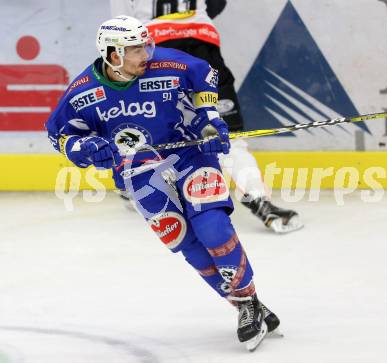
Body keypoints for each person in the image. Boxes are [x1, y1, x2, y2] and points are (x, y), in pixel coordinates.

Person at [46, 15, 280, 350]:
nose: (146, 53)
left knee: (212, 227)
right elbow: (60, 134)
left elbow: (205, 74)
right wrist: (83, 148)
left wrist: (210, 121)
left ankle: (248, 300)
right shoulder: (84, 91)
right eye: (135, 49)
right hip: (137, 173)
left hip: (191, 155)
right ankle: (247, 305)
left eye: (146, 44)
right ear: (113, 54)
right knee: (185, 240)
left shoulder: (168, 64)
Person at [109, 0, 304, 234]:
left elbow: (117, 31)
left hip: (156, 56)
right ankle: (260, 201)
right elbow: (216, 4)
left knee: (154, 131)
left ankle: (140, 188)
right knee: (228, 137)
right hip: (203, 51)